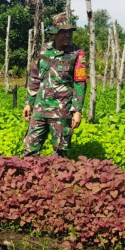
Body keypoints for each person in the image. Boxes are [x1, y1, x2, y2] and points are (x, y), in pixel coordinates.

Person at [22, 12, 87, 157]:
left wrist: (77, 111)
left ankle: (57, 178)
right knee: (29, 149)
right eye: (63, 32)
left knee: (60, 152)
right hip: (40, 109)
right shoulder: (44, 50)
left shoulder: (77, 54)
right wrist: (29, 103)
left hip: (61, 111)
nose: (68, 35)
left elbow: (80, 83)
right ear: (55, 33)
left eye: (70, 31)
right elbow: (35, 77)